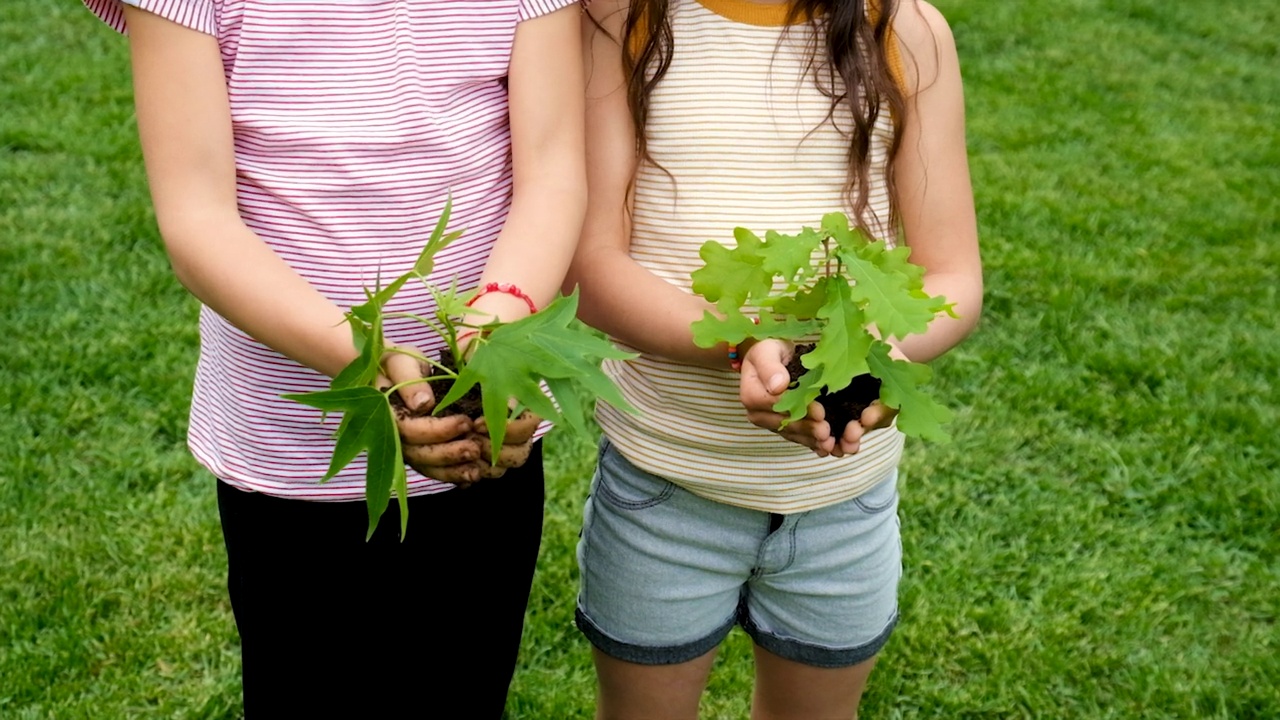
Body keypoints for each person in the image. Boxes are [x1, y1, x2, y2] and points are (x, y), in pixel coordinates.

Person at [82, 0, 585, 716]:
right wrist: (371, 361)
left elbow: (554, 171)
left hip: (482, 436)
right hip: (291, 458)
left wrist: (489, 345)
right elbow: (197, 217)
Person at [568, 0, 982, 716]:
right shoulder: (623, 19)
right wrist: (743, 347)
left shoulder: (906, 31)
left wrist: (863, 359)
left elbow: (954, 279)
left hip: (843, 503)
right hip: (666, 484)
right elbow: (593, 270)